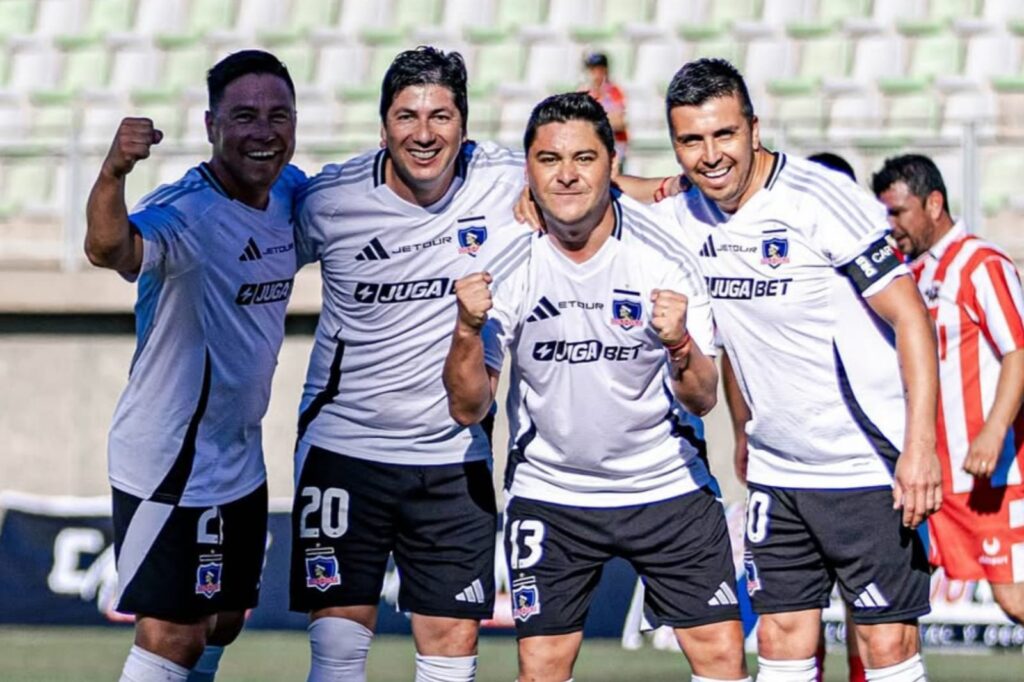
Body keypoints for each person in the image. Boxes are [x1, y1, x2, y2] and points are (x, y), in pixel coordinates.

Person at [647, 58, 941, 682]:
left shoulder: (819, 198)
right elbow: (614, 188)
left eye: (724, 134)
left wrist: (920, 448)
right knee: (780, 639)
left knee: (886, 647)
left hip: (865, 467)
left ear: (755, 129)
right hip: (778, 473)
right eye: (691, 141)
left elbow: (914, 320)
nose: (711, 155)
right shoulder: (684, 215)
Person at [444, 91, 750, 682]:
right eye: (548, 159)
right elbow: (467, 405)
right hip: (552, 492)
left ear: (613, 165)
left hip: (667, 486)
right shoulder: (505, 260)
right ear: (528, 169)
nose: (565, 175)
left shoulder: (667, 252)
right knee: (542, 669)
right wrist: (465, 328)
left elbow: (703, 396)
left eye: (584, 158)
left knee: (721, 660)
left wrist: (681, 343)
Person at [289, 46, 531, 682]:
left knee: (451, 647)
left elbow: (591, 186)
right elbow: (248, 250)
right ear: (382, 127)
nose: (424, 134)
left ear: (465, 125)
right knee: (338, 651)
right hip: (345, 447)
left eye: (441, 117)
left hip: (454, 457)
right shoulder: (328, 202)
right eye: (406, 117)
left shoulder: (506, 179)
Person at [83, 50, 303, 682]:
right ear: (211, 126)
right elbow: (108, 246)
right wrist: (114, 171)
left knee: (225, 618)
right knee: (173, 632)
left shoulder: (290, 193)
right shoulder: (186, 213)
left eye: (278, 115)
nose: (263, 131)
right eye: (244, 116)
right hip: (169, 458)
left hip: (237, 454)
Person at [873, 154, 1024, 625]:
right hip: (928, 475)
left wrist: (993, 430)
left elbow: (1019, 350)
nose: (890, 224)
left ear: (934, 203)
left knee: (1014, 598)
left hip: (989, 475)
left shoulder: (981, 265)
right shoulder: (906, 275)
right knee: (888, 599)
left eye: (898, 212)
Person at [580, 52, 629, 174]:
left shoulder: (614, 92)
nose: (596, 74)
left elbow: (619, 122)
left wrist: (592, 120)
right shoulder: (584, 92)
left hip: (615, 150)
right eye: (592, 69)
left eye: (599, 69)